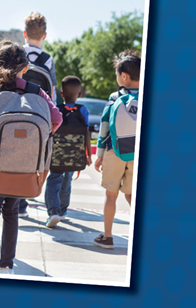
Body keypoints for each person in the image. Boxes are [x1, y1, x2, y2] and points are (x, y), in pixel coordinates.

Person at [0, 41, 62, 273]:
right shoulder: (37, 91)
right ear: (25, 68)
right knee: (11, 211)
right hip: (25, 166)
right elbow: (57, 120)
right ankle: (7, 265)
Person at [93, 50, 141, 250]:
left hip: (116, 151)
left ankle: (108, 237)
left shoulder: (115, 97)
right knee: (132, 196)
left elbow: (104, 127)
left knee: (111, 195)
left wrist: (100, 155)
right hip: (136, 154)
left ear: (124, 76)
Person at [16, 12, 56, 218]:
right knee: (32, 157)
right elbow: (53, 93)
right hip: (39, 115)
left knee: (14, 154)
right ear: (45, 36)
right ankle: (27, 195)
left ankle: (17, 201)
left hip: (15, 111)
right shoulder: (47, 60)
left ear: (24, 33)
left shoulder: (16, 54)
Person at [45, 76, 91, 229]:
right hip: (75, 156)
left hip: (57, 156)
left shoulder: (56, 109)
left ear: (61, 93)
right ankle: (63, 211)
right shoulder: (83, 110)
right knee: (67, 181)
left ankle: (53, 211)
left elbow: (51, 131)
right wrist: (88, 154)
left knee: (54, 180)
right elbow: (86, 132)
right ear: (79, 94)